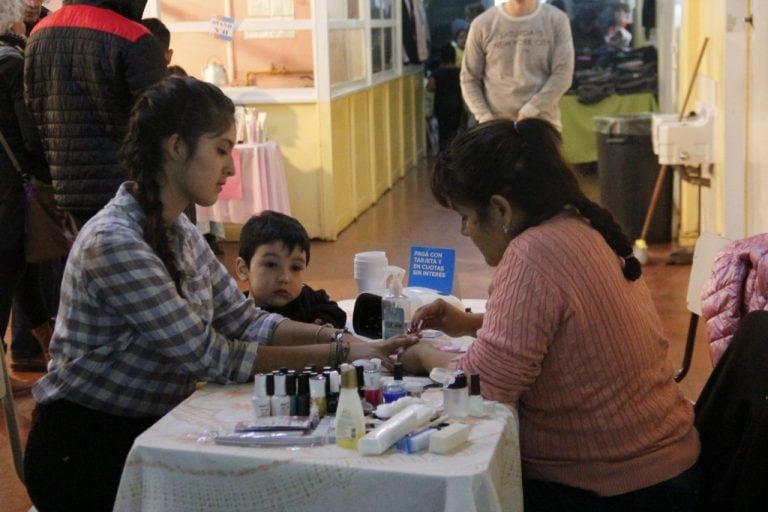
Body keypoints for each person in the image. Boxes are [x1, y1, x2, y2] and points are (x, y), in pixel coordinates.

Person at [23, 76, 417, 511]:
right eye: (221, 149)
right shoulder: (115, 242)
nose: (231, 167)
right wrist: (342, 355)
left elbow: (244, 319)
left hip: (147, 429)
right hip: (87, 447)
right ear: (176, 148)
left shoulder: (180, 230)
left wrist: (343, 341)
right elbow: (212, 355)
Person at [400, 119, 700, 511]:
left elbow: (485, 385)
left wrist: (422, 356)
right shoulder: (577, 226)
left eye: (466, 216)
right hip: (662, 464)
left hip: (618, 487)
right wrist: (469, 324)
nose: (464, 231)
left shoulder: (533, 255)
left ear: (500, 208)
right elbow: (568, 330)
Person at [24, 0, 168, 229]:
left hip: (66, 188)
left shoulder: (37, 35)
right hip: (129, 193)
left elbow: (33, 114)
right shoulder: (133, 36)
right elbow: (162, 123)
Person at [0, 0, 53, 375]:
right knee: (13, 268)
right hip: (13, 190)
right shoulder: (12, 63)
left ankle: (45, 348)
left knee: (21, 272)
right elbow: (31, 136)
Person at [460, 0, 574, 130]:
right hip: (496, 130)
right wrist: (486, 118)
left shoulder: (556, 20)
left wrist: (531, 109)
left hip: (543, 126)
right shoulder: (482, 24)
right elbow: (469, 79)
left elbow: (563, 74)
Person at [236, 210, 347, 329]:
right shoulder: (238, 316)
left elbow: (334, 312)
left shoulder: (305, 298)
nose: (284, 278)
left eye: (295, 267)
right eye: (271, 264)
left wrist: (324, 323)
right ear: (243, 269)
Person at [427, 44, 464, 152]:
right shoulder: (459, 72)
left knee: (443, 130)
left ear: (441, 57)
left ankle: (443, 153)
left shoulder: (437, 73)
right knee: (455, 129)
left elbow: (430, 87)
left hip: (441, 104)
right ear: (454, 56)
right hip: (456, 103)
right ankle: (454, 151)